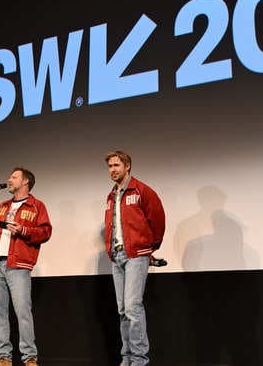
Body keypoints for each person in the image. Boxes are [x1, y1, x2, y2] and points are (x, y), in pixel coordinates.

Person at [0, 167, 52, 366]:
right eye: (9, 176)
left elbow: (45, 232)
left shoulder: (36, 206)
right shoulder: (3, 205)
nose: (9, 179)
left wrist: (24, 230)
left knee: (22, 311)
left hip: (18, 264)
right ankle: (4, 357)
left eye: (14, 177)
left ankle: (29, 358)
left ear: (25, 182)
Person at [103, 151, 165, 366]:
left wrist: (148, 248)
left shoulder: (142, 190)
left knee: (132, 306)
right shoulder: (111, 195)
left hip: (136, 254)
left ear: (127, 166)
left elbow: (158, 221)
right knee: (122, 310)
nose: (113, 169)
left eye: (116, 165)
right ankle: (127, 357)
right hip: (117, 255)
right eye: (110, 166)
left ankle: (139, 360)